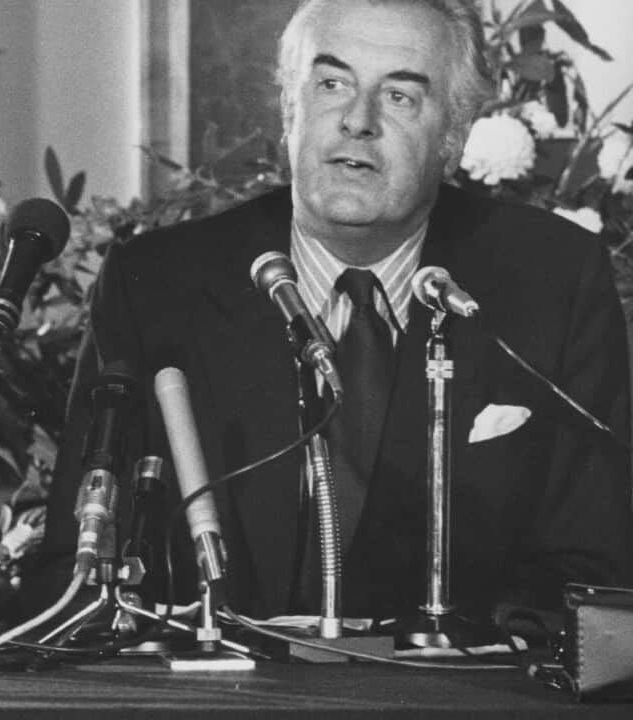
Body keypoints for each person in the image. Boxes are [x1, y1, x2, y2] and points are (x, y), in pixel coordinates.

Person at [41, 0, 633, 625]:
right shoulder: (154, 285)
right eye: (331, 84)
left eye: (401, 97)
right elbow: (75, 571)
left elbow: (592, 578)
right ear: (289, 110)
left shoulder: (553, 282)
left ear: (453, 137)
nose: (358, 120)